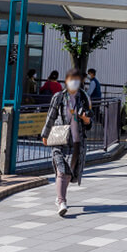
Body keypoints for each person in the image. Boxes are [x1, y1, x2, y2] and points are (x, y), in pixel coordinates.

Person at [40, 69, 92, 216]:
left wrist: (85, 119)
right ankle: (62, 201)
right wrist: (45, 134)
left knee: (68, 173)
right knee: (61, 170)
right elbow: (51, 116)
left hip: (76, 142)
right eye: (71, 79)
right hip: (60, 139)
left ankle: (60, 196)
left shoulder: (84, 98)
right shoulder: (59, 97)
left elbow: (90, 122)